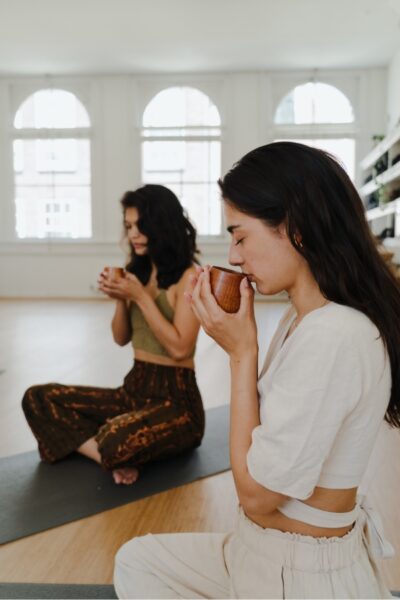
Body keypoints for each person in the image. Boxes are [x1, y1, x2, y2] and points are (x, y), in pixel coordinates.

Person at [114, 142, 400, 598]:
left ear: (296, 230)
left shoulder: (336, 334)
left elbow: (257, 496)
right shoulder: (302, 318)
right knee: (138, 561)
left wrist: (240, 354)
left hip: (301, 576)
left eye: (240, 236)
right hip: (257, 550)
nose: (234, 256)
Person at [22, 184, 205, 485]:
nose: (133, 234)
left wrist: (142, 297)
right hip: (134, 390)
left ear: (161, 225)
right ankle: (107, 458)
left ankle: (111, 448)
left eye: (140, 226)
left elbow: (180, 348)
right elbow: (121, 338)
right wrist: (121, 298)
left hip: (177, 403)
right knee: (38, 398)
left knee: (115, 438)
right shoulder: (138, 272)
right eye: (129, 226)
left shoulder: (189, 277)